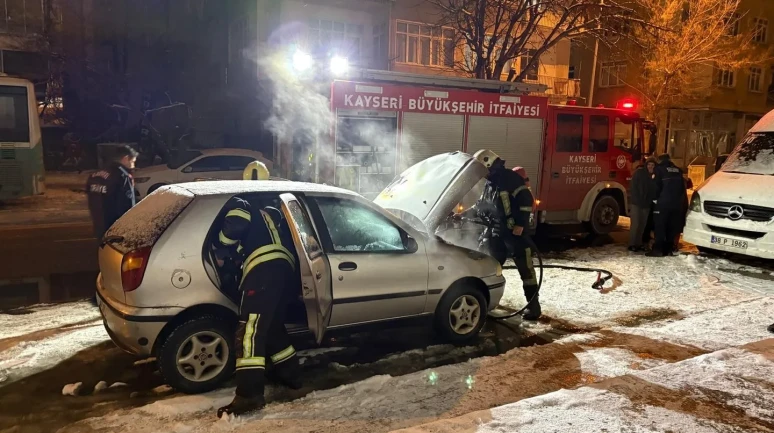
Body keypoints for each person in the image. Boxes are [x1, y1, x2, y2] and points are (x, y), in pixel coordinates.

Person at [216, 162, 301, 418]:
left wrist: (222, 246)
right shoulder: (275, 207)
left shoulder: (243, 202)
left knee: (249, 331)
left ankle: (249, 396)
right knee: (271, 324)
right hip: (286, 270)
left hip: (263, 270)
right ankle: (292, 375)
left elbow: (234, 225)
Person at [475, 150, 541, 320]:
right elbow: (481, 206)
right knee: (490, 268)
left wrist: (520, 224)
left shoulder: (510, 178)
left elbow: (526, 200)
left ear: (489, 165)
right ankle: (486, 303)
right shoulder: (490, 183)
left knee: (526, 270)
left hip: (514, 233)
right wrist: (462, 215)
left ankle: (533, 308)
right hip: (497, 232)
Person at [86, 145, 139, 240]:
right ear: (126, 158)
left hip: (99, 225)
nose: (133, 166)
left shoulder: (95, 175)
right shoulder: (123, 176)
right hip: (116, 228)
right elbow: (126, 205)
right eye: (133, 162)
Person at [647, 154, 687, 257]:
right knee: (671, 227)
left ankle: (658, 250)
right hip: (676, 205)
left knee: (660, 226)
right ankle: (668, 249)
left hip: (663, 203)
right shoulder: (678, 170)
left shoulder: (659, 169)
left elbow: (656, 186)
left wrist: (655, 199)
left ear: (660, 160)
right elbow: (682, 188)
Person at [628, 157, 657, 252]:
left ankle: (638, 243)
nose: (650, 167)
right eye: (649, 165)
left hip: (646, 205)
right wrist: (636, 199)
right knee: (635, 224)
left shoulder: (653, 176)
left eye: (652, 165)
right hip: (637, 203)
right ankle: (632, 244)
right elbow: (633, 187)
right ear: (646, 165)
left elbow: (653, 190)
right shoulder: (639, 173)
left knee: (642, 225)